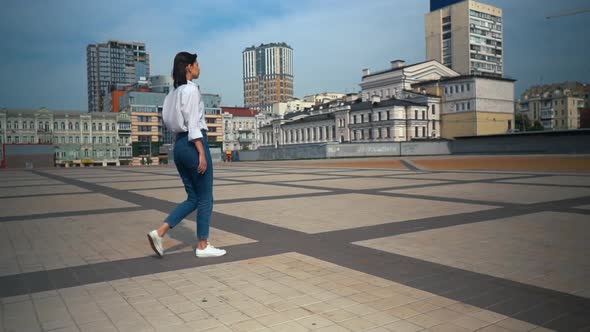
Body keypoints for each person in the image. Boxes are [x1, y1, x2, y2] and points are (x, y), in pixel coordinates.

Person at [147, 52, 226, 258]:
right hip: (193, 144)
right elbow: (193, 124)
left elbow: (169, 122)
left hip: (179, 146)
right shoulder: (191, 90)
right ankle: (202, 245)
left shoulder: (171, 94)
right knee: (206, 197)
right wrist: (201, 152)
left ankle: (160, 232)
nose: (200, 67)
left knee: (193, 197)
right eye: (197, 64)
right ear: (189, 67)